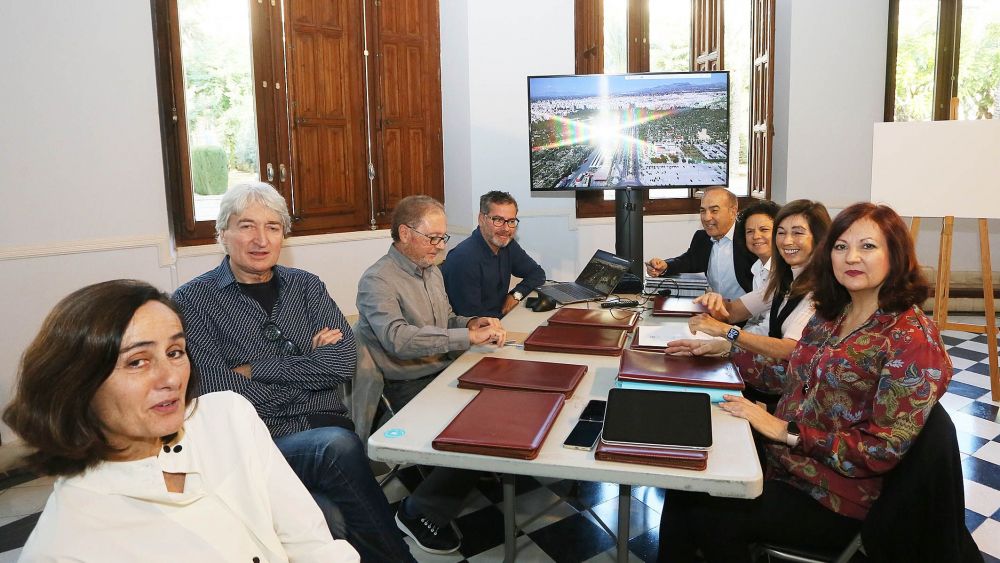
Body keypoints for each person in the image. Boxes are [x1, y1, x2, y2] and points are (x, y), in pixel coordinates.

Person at [657, 202, 953, 562]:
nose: (851, 258)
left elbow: (880, 450)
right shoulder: (834, 313)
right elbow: (791, 372)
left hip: (835, 495)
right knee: (682, 481)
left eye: (868, 246)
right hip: (787, 461)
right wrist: (723, 354)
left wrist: (785, 431)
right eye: (841, 247)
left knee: (709, 514)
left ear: (896, 254)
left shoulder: (911, 339)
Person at [4, 280, 360, 562]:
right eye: (137, 362)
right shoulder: (65, 546)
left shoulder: (227, 417)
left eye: (175, 352)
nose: (170, 377)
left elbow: (312, 544)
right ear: (76, 384)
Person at [172, 182, 412, 562]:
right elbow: (218, 390)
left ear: (283, 235)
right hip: (260, 441)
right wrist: (310, 374)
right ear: (222, 234)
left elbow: (342, 361)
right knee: (337, 448)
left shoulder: (306, 286)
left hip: (324, 424)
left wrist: (255, 370)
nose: (260, 239)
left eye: (272, 227)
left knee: (333, 515)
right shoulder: (191, 300)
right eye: (246, 226)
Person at [355, 195, 506, 555]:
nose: (440, 247)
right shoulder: (377, 280)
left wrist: (470, 322)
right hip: (405, 382)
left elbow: (446, 320)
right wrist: (464, 336)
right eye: (433, 238)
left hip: (440, 368)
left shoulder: (431, 271)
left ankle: (469, 468)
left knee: (505, 400)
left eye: (443, 239)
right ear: (405, 233)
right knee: (476, 434)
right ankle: (416, 512)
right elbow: (399, 340)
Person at [666, 200, 831, 399]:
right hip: (770, 374)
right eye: (781, 233)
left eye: (797, 233)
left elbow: (789, 349)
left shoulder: (819, 290)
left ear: (819, 239)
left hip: (791, 391)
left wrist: (727, 334)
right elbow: (734, 311)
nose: (787, 241)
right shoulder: (784, 280)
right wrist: (716, 305)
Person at [441, 190, 546, 317]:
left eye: (511, 221)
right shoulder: (463, 259)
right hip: (477, 330)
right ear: (481, 219)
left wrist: (516, 295)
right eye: (498, 220)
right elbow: (471, 319)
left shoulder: (507, 245)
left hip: (499, 322)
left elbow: (537, 273)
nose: (506, 228)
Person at [645, 187, 754, 299]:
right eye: (703, 211)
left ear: (733, 211)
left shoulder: (750, 238)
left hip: (750, 313)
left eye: (714, 211)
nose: (706, 218)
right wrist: (665, 266)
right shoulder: (702, 238)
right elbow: (687, 261)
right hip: (716, 311)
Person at [733, 200, 780, 333]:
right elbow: (754, 320)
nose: (756, 236)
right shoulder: (757, 267)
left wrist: (729, 337)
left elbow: (769, 329)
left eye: (764, 230)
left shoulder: (785, 273)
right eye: (749, 231)